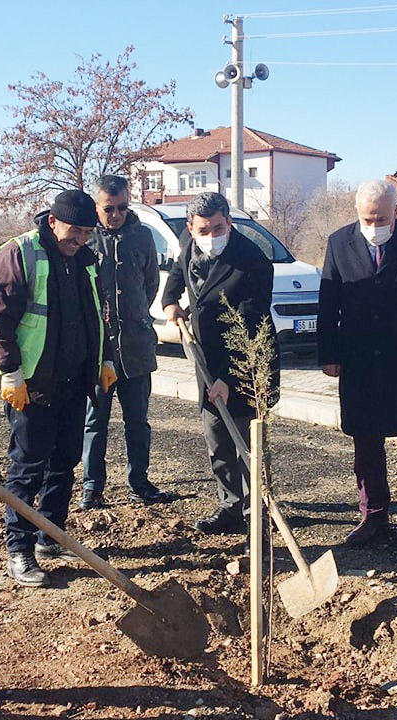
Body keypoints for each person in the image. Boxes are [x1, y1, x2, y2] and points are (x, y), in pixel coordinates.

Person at [0, 190, 116, 588]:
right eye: (74, 232)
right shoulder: (20, 254)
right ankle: (18, 549)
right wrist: (10, 371)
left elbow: (98, 313)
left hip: (76, 380)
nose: (79, 241)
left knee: (66, 460)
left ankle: (51, 535)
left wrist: (104, 359)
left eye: (87, 234)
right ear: (53, 222)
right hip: (34, 384)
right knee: (27, 466)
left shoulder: (86, 259)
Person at [317, 180, 397, 555]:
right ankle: (373, 515)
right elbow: (328, 301)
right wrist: (328, 353)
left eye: (381, 218)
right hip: (358, 361)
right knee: (366, 443)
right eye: (367, 218)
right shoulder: (339, 242)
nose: (373, 225)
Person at [161, 191, 278, 539]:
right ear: (191, 227)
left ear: (229, 221)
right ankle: (229, 504)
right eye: (204, 230)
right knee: (217, 436)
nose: (212, 236)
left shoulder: (253, 261)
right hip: (205, 356)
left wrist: (229, 377)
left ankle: (256, 510)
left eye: (218, 227)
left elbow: (251, 324)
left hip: (246, 362)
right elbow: (176, 275)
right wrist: (170, 303)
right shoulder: (190, 241)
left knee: (245, 439)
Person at [79, 175, 169, 510]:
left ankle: (139, 482)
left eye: (121, 207)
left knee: (138, 419)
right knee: (95, 421)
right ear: (97, 206)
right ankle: (92, 487)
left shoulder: (142, 236)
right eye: (108, 208)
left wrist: (133, 315)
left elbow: (149, 284)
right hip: (98, 350)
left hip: (136, 347)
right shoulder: (86, 239)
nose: (114, 214)